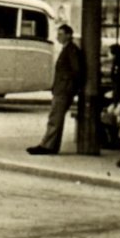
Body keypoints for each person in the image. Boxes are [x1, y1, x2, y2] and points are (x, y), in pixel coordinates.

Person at [28, 23, 84, 155]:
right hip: (63, 89)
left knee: (55, 118)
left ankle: (46, 145)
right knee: (56, 117)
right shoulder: (69, 49)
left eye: (61, 34)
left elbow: (76, 71)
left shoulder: (70, 50)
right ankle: (51, 145)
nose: (58, 37)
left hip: (63, 90)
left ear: (69, 35)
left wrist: (68, 86)